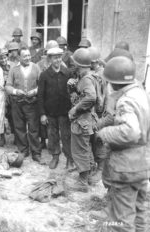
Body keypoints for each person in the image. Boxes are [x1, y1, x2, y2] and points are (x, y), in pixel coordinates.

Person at [97, 56, 150, 232]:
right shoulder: (140, 93)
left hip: (125, 166)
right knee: (139, 212)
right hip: (141, 163)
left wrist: (104, 133)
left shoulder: (126, 100)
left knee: (122, 220)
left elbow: (131, 131)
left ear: (115, 83)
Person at [38, 47, 73, 169]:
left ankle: (69, 159)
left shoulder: (67, 73)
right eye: (54, 58)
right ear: (49, 59)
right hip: (50, 112)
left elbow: (72, 93)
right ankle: (55, 156)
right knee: (52, 135)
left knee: (66, 135)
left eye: (59, 57)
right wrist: (42, 114)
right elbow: (40, 96)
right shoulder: (44, 75)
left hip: (65, 112)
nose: (57, 60)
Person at [67, 48, 96, 192]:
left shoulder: (86, 79)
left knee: (79, 150)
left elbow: (91, 97)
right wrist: (72, 88)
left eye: (74, 64)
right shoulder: (87, 77)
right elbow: (82, 95)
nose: (73, 66)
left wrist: (75, 109)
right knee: (86, 148)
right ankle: (88, 177)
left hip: (82, 120)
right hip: (85, 120)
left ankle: (83, 182)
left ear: (79, 65)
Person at [6, 47, 42, 162]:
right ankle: (23, 150)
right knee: (19, 127)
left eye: (28, 55)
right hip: (17, 103)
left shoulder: (36, 67)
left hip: (32, 103)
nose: (27, 58)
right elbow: (8, 86)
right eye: (25, 56)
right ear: (19, 57)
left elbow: (42, 85)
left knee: (33, 128)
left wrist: (35, 91)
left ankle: (36, 152)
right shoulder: (13, 69)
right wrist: (16, 91)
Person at [86, 46, 107, 185]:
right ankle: (94, 165)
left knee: (99, 141)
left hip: (100, 113)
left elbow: (101, 97)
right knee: (92, 139)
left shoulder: (101, 75)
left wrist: (99, 114)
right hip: (94, 112)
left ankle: (100, 168)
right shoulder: (94, 72)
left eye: (91, 62)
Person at [0, 48, 14, 144]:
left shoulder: (13, 66)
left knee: (13, 114)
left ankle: (16, 135)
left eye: (5, 57)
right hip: (1, 93)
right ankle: (1, 136)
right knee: (1, 114)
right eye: (1, 58)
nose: (4, 60)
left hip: (12, 93)